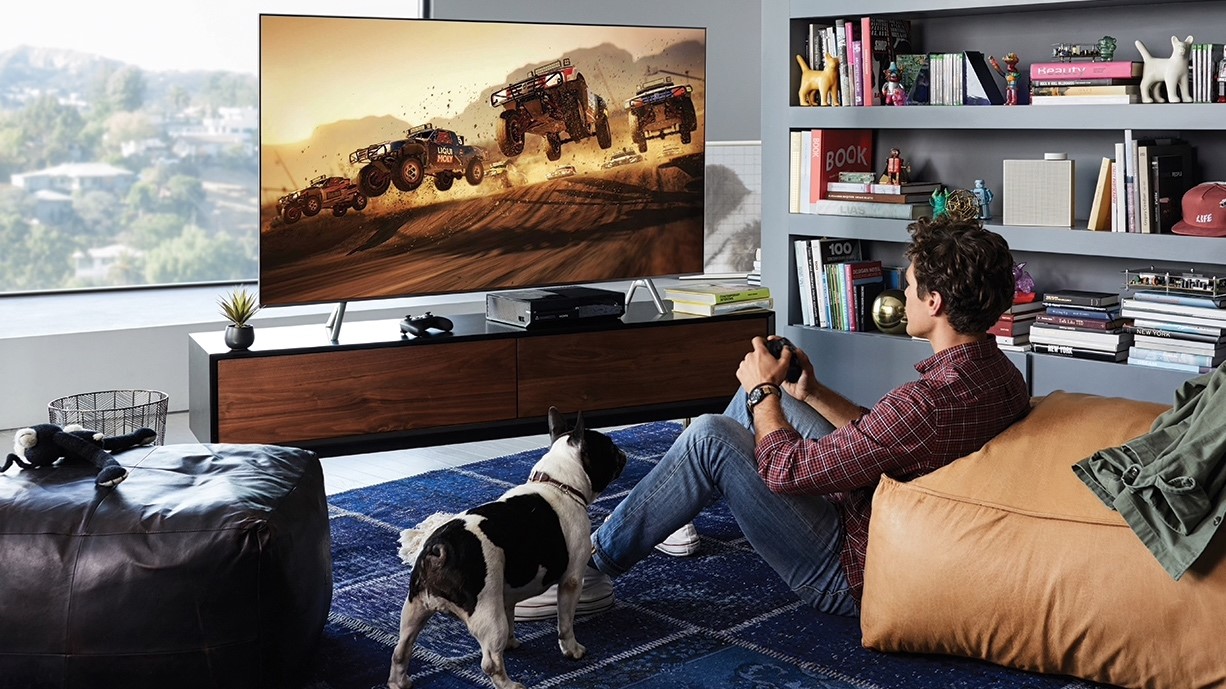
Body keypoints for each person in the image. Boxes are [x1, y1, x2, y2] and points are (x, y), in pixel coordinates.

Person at [516, 215, 1031, 620]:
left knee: (710, 435)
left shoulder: (928, 403)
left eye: (910, 283)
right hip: (884, 515)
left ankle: (587, 565)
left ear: (935, 302)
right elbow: (891, 438)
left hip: (852, 572)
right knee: (754, 408)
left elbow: (787, 471)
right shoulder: (997, 374)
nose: (901, 291)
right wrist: (810, 392)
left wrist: (764, 390)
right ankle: (672, 504)